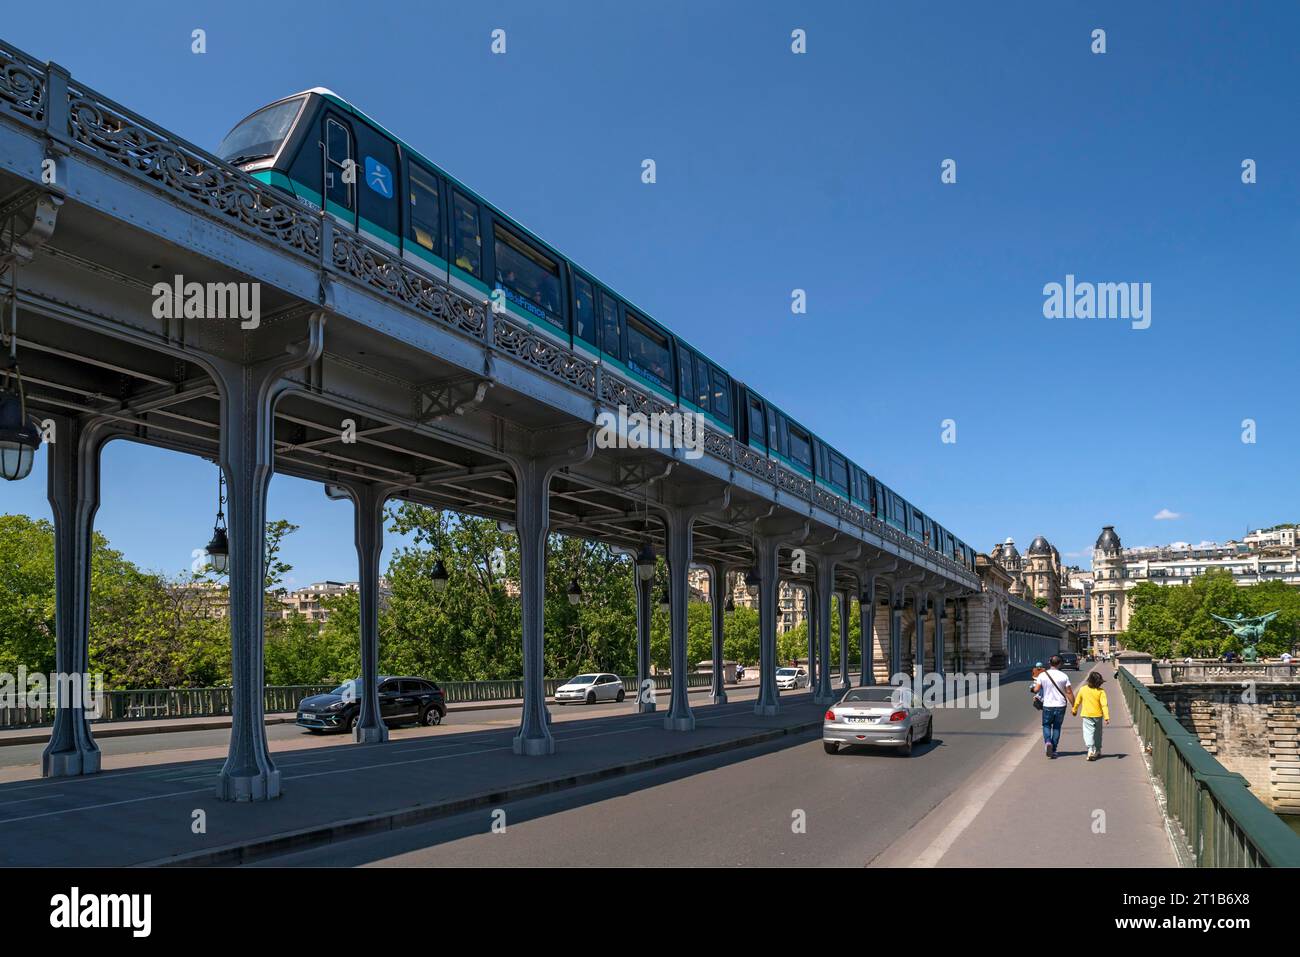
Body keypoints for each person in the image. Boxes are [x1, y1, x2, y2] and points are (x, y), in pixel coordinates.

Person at [1032, 655, 1074, 758]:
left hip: (1048, 705)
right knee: (1057, 727)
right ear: (1060, 664)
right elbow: (1069, 692)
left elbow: (1036, 690)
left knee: (1046, 725)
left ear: (1049, 663)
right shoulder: (1064, 676)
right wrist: (1074, 705)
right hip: (1060, 705)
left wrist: (1032, 690)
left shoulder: (1042, 675)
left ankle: (1047, 742)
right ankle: (1054, 749)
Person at [1072, 671, 1110, 760]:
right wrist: (1107, 717)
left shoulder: (1083, 689)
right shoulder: (1101, 691)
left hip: (1087, 715)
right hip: (1098, 715)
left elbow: (1077, 701)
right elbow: (1104, 705)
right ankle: (1098, 750)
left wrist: (1074, 710)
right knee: (1098, 733)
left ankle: (1090, 749)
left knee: (1088, 733)